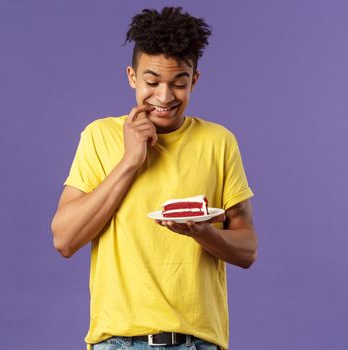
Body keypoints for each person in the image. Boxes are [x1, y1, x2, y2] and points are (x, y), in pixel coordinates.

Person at [51, 7, 257, 350]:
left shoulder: (219, 142)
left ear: (194, 80)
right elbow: (65, 239)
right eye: (151, 82)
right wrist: (131, 161)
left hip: (199, 343)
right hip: (117, 343)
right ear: (132, 76)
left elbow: (247, 250)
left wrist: (203, 233)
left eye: (178, 83)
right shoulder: (99, 136)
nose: (164, 97)